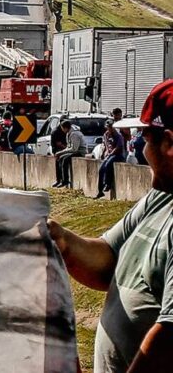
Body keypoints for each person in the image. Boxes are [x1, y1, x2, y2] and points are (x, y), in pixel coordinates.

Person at [48, 79, 173, 371]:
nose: (142, 151)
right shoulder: (161, 198)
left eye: (147, 140)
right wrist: (62, 241)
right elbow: (108, 259)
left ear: (169, 144)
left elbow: (170, 337)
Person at [96, 119, 125, 199]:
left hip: (117, 155)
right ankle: (100, 191)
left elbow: (119, 147)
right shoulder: (106, 135)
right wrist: (104, 152)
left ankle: (107, 184)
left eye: (111, 127)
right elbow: (106, 145)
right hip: (109, 154)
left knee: (108, 164)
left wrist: (111, 153)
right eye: (108, 128)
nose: (110, 129)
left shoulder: (118, 136)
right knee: (101, 169)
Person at [53, 120, 86, 188]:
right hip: (74, 151)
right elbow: (69, 147)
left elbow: (74, 149)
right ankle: (60, 180)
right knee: (60, 159)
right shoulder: (69, 133)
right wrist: (60, 153)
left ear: (65, 128)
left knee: (65, 159)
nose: (62, 130)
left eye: (62, 128)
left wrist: (61, 152)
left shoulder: (74, 134)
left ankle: (65, 180)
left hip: (80, 151)